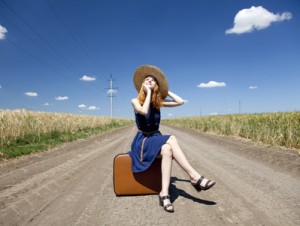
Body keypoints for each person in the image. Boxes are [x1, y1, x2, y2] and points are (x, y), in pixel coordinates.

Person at [129, 65, 216, 213]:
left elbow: (180, 101)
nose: (150, 81)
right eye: (147, 79)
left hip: (155, 137)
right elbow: (143, 111)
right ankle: (194, 176)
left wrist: (163, 89)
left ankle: (164, 194)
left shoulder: (158, 102)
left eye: (153, 80)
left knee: (168, 149)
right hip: (143, 141)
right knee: (172, 139)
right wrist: (149, 92)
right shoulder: (135, 101)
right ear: (142, 84)